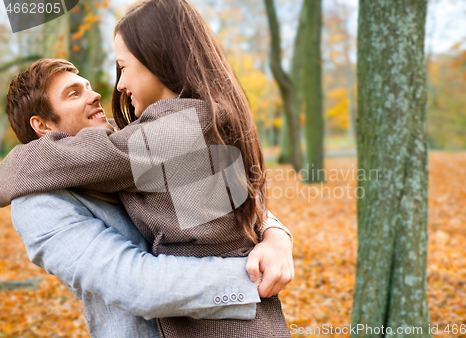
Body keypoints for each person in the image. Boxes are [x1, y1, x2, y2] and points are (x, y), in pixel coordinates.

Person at [0, 0, 292, 336]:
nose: (103, 92)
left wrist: (274, 236)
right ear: (43, 126)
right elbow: (137, 284)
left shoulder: (161, 134)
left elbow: (222, 213)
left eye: (123, 68)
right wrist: (253, 270)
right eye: (73, 93)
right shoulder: (38, 202)